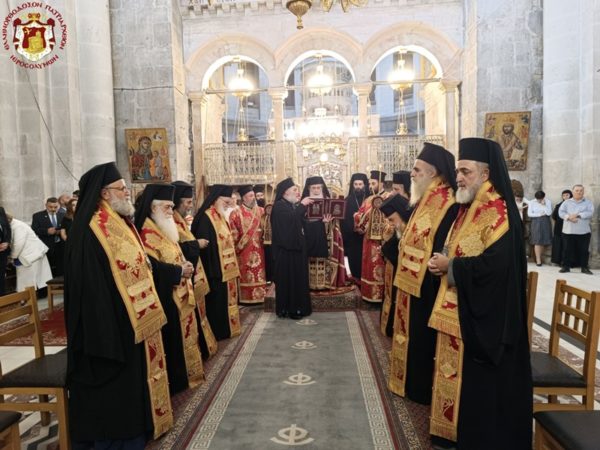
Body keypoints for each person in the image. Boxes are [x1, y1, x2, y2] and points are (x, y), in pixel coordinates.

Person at [426, 138, 532, 449]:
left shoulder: (498, 213)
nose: (458, 177)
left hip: (487, 320)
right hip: (461, 309)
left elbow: (495, 269)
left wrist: (451, 267)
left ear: (486, 174)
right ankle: (453, 431)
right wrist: (442, 260)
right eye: (457, 171)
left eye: (465, 171)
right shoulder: (470, 207)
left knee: (480, 388)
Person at [65, 162, 173, 448]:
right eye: (122, 188)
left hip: (131, 316)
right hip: (109, 322)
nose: (127, 193)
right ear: (104, 193)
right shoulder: (92, 228)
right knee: (116, 385)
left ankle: (137, 427)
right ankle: (119, 437)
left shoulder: (118, 222)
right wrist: (108, 326)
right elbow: (90, 285)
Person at [388, 143, 459, 404]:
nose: (412, 174)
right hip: (410, 279)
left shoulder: (449, 202)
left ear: (433, 172)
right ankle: (408, 382)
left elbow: (446, 242)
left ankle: (419, 388)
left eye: (417, 170)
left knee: (421, 339)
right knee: (411, 335)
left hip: (429, 282)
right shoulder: (426, 197)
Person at [135, 184, 205, 395]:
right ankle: (177, 381)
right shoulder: (145, 232)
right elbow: (152, 268)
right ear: (153, 207)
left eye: (172, 207)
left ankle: (186, 376)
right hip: (165, 296)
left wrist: (185, 265)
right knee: (172, 342)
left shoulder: (162, 227)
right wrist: (178, 271)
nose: (170, 211)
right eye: (167, 207)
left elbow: (175, 252)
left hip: (180, 293)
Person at [171, 180, 217, 359]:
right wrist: (196, 244)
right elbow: (176, 249)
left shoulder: (180, 221)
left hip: (192, 275)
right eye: (188, 202)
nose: (190, 206)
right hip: (181, 279)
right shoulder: (171, 222)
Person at [191, 185, 242, 340]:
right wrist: (213, 270)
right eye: (226, 202)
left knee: (224, 302)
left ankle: (226, 329)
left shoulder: (219, 216)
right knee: (216, 303)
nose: (227, 205)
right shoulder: (205, 218)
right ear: (216, 199)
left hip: (225, 269)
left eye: (229, 203)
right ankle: (218, 332)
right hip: (213, 270)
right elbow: (205, 246)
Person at [271, 177, 312, 319]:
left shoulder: (291, 205)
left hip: (296, 251)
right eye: (294, 190)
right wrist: (303, 205)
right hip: (286, 253)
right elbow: (290, 221)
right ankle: (290, 309)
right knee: (288, 281)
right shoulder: (279, 206)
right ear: (285, 192)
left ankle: (298, 308)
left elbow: (300, 222)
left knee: (297, 281)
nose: (297, 192)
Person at [301, 176, 346, 290]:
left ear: (322, 188)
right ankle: (310, 284)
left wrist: (329, 221)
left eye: (318, 188)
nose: (316, 190)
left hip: (327, 236)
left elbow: (336, 221)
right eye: (314, 188)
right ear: (309, 188)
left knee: (326, 259)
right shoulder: (304, 202)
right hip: (309, 237)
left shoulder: (328, 201)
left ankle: (326, 284)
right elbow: (300, 220)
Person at [378, 194, 412, 337]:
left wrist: (385, 249)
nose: (390, 224)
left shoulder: (410, 230)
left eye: (392, 220)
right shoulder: (400, 229)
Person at [228, 185, 267, 303]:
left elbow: (267, 229)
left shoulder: (261, 211)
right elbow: (233, 234)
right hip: (244, 251)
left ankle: (261, 296)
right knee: (246, 273)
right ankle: (246, 298)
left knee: (260, 273)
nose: (253, 198)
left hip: (260, 249)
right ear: (244, 198)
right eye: (250, 196)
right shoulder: (235, 213)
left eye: (253, 195)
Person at [354, 170, 388, 303]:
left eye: (373, 183)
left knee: (381, 266)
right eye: (369, 183)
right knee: (368, 266)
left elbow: (392, 218)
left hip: (382, 240)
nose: (370, 186)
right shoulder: (368, 199)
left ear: (381, 183)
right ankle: (368, 295)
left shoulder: (389, 197)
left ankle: (381, 296)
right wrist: (363, 219)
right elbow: (358, 214)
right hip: (368, 240)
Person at [8, 213, 53, 293]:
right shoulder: (13, 225)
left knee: (30, 280)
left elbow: (18, 244)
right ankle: (29, 296)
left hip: (32, 255)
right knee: (30, 279)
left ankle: (29, 297)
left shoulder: (18, 226)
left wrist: (11, 256)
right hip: (28, 254)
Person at [558, 184, 595, 274]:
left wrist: (578, 215)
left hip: (584, 231)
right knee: (567, 250)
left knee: (584, 250)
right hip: (568, 231)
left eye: (581, 190)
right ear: (573, 191)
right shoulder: (566, 202)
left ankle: (584, 267)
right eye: (577, 190)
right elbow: (561, 213)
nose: (579, 192)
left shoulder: (588, 202)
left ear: (583, 192)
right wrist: (569, 217)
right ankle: (565, 267)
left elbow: (590, 213)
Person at [341, 173, 369, 281]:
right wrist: (355, 229)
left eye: (360, 184)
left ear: (364, 185)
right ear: (352, 185)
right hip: (353, 238)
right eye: (355, 184)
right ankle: (356, 283)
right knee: (355, 263)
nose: (358, 187)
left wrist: (365, 228)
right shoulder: (347, 201)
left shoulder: (370, 200)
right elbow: (344, 221)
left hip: (367, 238)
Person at [31, 197, 65, 277]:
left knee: (61, 268)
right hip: (46, 246)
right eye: (50, 207)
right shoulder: (37, 216)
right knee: (48, 269)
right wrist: (47, 231)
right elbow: (35, 230)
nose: (53, 209)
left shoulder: (63, 215)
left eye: (55, 207)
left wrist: (61, 231)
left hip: (61, 246)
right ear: (46, 205)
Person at [528, 190, 553, 266]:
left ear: (543, 197)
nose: (539, 200)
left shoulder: (548, 201)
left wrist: (544, 205)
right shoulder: (532, 202)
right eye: (537, 199)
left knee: (544, 240)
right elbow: (529, 214)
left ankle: (539, 257)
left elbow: (549, 213)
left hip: (545, 221)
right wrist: (539, 214)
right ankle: (538, 260)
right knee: (537, 240)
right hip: (536, 221)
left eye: (540, 199)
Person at [551, 189, 572, 266]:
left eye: (567, 195)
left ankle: (569, 262)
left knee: (568, 245)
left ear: (570, 195)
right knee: (559, 244)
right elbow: (554, 216)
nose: (565, 197)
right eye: (564, 195)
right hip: (559, 227)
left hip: (570, 227)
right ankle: (559, 261)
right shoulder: (559, 205)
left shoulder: (573, 205)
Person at [0, 206, 11, 295]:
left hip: (2, 251)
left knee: (1, 276)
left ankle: (2, 298)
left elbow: (7, 228)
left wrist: (7, 242)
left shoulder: (1, 210)